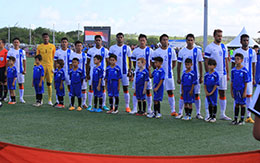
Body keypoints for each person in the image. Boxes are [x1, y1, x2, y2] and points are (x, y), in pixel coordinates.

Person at [204, 29, 231, 121]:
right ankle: (208, 114)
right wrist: (208, 73)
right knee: (209, 94)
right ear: (214, 36)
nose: (220, 37)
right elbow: (206, 61)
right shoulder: (209, 47)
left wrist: (227, 73)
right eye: (218, 36)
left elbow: (226, 60)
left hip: (222, 74)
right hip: (212, 74)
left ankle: (222, 114)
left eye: (221, 36)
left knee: (222, 93)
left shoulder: (224, 47)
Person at [177, 34, 203, 119]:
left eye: (191, 40)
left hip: (195, 77)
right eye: (188, 40)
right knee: (183, 94)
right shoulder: (182, 51)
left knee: (196, 94)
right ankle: (180, 112)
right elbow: (179, 64)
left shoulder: (197, 51)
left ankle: (198, 113)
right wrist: (178, 77)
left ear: (194, 41)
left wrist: (201, 76)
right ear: (186, 41)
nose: (190, 42)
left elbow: (200, 64)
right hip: (185, 77)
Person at [231, 34, 256, 123]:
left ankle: (248, 116)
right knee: (237, 97)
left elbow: (253, 65)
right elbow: (233, 64)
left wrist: (253, 77)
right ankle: (236, 117)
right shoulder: (237, 51)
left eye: (247, 40)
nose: (246, 42)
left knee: (248, 96)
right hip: (238, 79)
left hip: (248, 78)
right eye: (244, 40)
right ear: (241, 41)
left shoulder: (252, 52)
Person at [152, 34, 177, 117]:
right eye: (163, 39)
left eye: (166, 39)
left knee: (170, 91)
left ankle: (173, 110)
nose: (165, 41)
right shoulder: (156, 52)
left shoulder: (172, 51)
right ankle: (156, 111)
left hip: (169, 75)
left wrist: (169, 70)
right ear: (160, 41)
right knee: (157, 92)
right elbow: (152, 62)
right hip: (159, 76)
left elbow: (174, 62)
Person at [109, 32, 132, 113]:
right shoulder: (112, 48)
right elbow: (110, 60)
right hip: (114, 72)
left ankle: (127, 106)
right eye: (118, 37)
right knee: (115, 89)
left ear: (123, 38)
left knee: (125, 89)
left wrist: (130, 70)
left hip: (124, 72)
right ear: (116, 38)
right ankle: (114, 107)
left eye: (121, 37)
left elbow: (130, 60)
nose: (120, 39)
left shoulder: (127, 48)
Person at [130, 34, 153, 115]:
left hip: (146, 74)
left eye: (144, 40)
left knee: (148, 90)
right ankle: (135, 108)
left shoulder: (150, 50)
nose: (142, 42)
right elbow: (133, 62)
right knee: (136, 91)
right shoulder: (135, 51)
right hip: (138, 75)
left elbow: (151, 62)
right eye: (141, 40)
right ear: (139, 41)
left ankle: (149, 109)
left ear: (146, 41)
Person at [86, 35, 109, 111]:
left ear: (101, 41)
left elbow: (108, 62)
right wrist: (87, 73)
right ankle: (90, 105)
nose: (98, 42)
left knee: (102, 88)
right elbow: (88, 63)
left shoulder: (105, 50)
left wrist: (107, 72)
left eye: (99, 40)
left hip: (102, 72)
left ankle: (103, 104)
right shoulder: (91, 50)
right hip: (93, 72)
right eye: (97, 40)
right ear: (94, 41)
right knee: (91, 88)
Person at [36, 33, 56, 105]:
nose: (45, 38)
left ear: (48, 38)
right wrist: (36, 66)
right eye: (44, 37)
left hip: (50, 66)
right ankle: (40, 100)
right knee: (40, 83)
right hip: (42, 67)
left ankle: (49, 99)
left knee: (49, 83)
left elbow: (54, 57)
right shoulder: (39, 47)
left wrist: (54, 67)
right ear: (42, 38)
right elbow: (37, 57)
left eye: (46, 37)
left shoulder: (52, 46)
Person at [231, 53, 249, 125]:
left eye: (238, 59)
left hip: (242, 89)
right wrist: (232, 91)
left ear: (241, 60)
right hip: (235, 89)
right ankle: (235, 119)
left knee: (242, 104)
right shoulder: (233, 70)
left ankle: (242, 119)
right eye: (235, 59)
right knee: (236, 104)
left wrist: (245, 92)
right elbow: (232, 81)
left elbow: (246, 82)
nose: (236, 60)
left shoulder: (244, 70)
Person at [7, 37, 26, 103]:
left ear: (19, 43)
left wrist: (25, 69)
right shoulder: (10, 51)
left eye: (17, 42)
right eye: (15, 42)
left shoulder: (22, 51)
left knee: (20, 84)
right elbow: (7, 61)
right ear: (13, 43)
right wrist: (7, 70)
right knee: (10, 85)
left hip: (20, 70)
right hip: (12, 71)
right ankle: (10, 98)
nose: (16, 43)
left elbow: (24, 61)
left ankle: (21, 98)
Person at [54, 37, 72, 107]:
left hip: (67, 72)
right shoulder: (57, 52)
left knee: (69, 87)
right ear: (61, 43)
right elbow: (55, 62)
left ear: (67, 43)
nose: (64, 43)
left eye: (65, 42)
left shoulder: (70, 52)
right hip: (59, 72)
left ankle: (71, 102)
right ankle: (58, 101)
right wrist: (55, 70)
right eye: (63, 42)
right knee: (58, 86)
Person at [69, 41, 87, 109]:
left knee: (83, 89)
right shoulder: (72, 54)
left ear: (82, 47)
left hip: (82, 74)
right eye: (77, 45)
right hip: (74, 74)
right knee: (72, 89)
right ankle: (72, 104)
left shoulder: (84, 55)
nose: (79, 47)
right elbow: (70, 65)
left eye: (80, 45)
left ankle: (83, 103)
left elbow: (86, 65)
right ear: (75, 46)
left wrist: (86, 74)